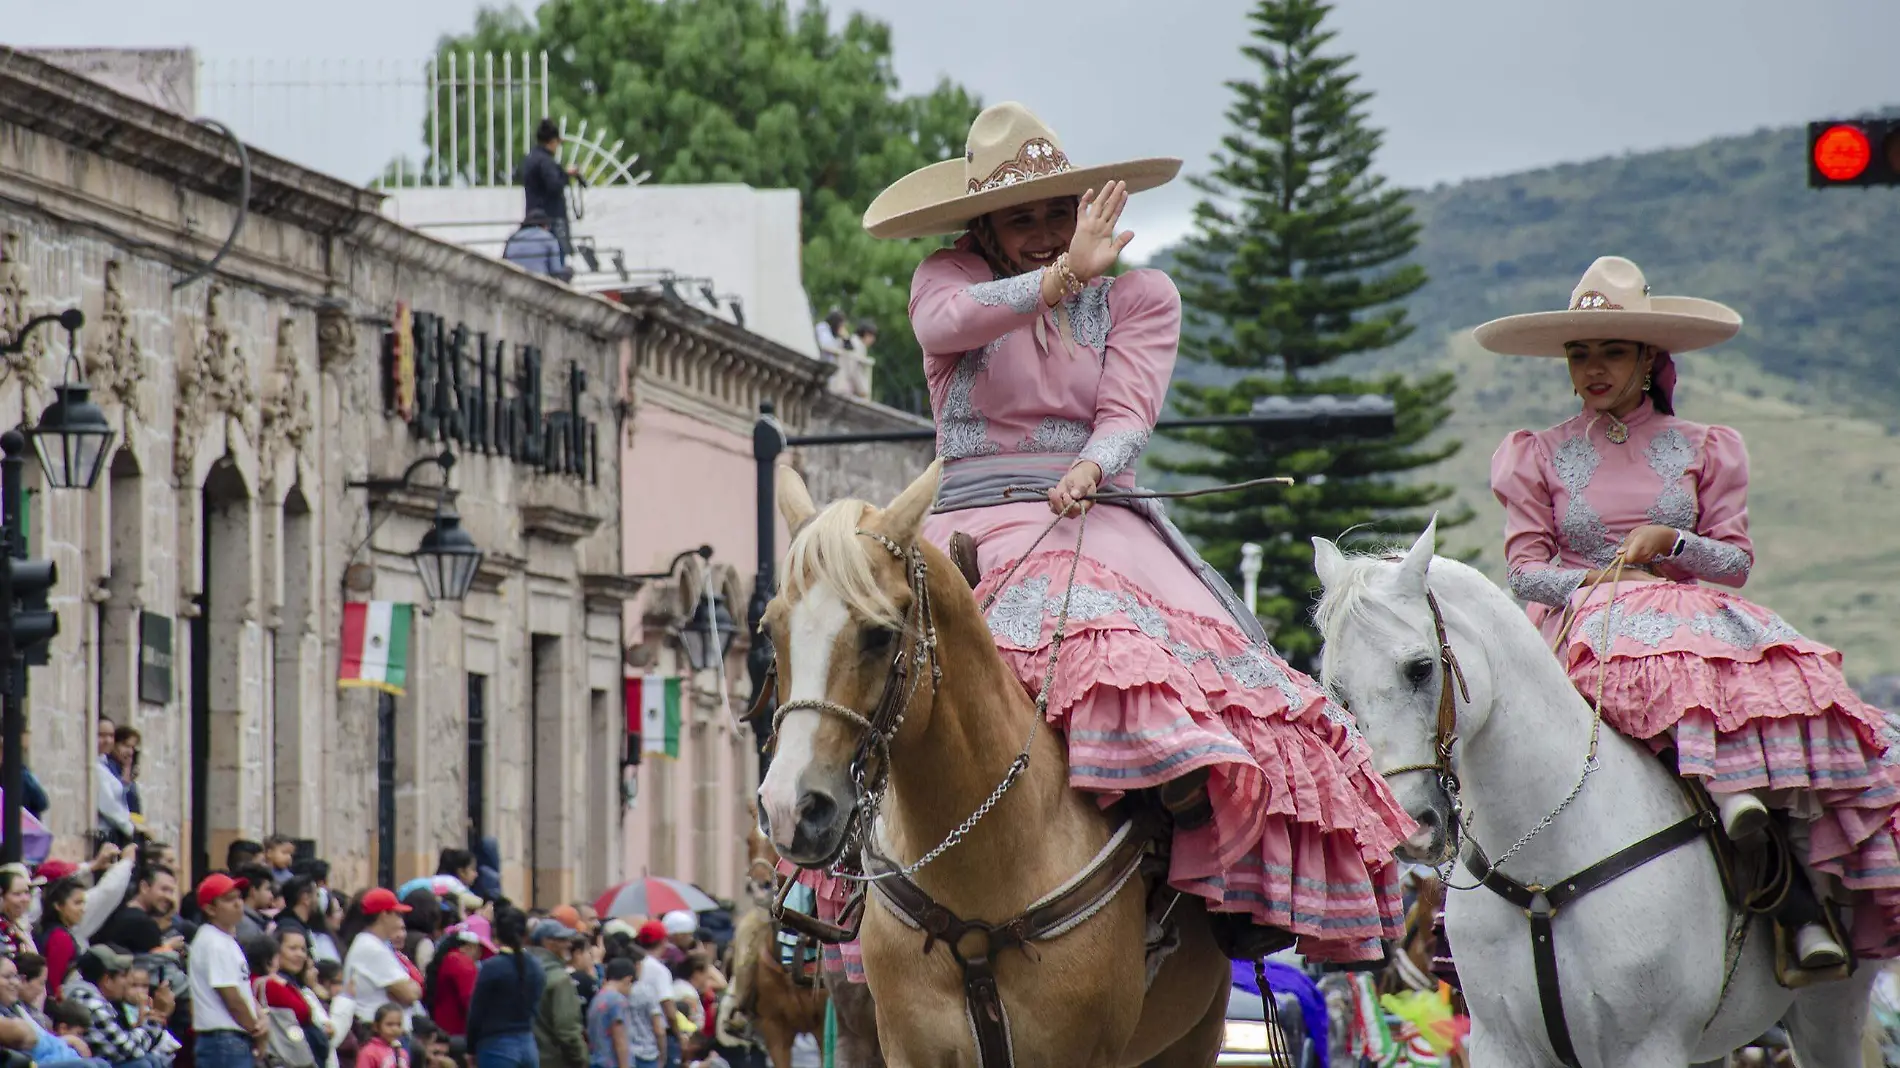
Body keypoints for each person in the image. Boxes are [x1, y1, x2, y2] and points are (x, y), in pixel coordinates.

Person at [840, 99, 1414, 962]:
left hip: (1090, 512)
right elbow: (942, 328)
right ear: (983, 222)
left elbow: (1127, 410)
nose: (1040, 231)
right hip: (966, 522)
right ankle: (848, 865)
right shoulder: (945, 279)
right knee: (864, 669)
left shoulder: (1141, 294)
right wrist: (1062, 275)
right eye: (1018, 215)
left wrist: (1095, 467)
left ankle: (1196, 852)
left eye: (1054, 212)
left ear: (1084, 208)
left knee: (1145, 653)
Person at [1479, 255, 1900, 972]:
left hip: (1690, 620)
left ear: (1649, 357)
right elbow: (1523, 571)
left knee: (1780, 711)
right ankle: (1483, 911)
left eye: (1612, 351)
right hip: (1583, 624)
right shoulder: (1536, 454)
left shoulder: (1706, 447)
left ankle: (1795, 897)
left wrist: (1671, 542)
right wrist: (1600, 585)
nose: (1593, 369)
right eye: (1580, 354)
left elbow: (1735, 562)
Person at [190, 873, 267, 1068]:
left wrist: (260, 1015)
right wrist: (255, 1029)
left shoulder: (226, 940)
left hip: (230, 1039)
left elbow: (242, 988)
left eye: (239, 897)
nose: (238, 904)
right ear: (210, 908)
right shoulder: (214, 942)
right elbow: (231, 995)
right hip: (223, 1040)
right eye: (228, 899)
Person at [66, 945, 172, 1067]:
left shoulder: (92, 995)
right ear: (107, 980)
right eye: (123, 976)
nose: (127, 982)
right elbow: (128, 1049)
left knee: (150, 1060)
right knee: (142, 1065)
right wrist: (156, 1017)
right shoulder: (90, 1002)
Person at [464, 907, 543, 1068]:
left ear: (495, 933)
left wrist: (470, 1048)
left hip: (496, 1046)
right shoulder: (536, 966)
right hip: (528, 1043)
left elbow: (476, 1011)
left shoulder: (492, 967)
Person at [341, 890, 421, 1027]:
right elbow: (410, 994)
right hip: (377, 1031)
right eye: (396, 914)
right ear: (384, 915)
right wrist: (407, 988)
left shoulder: (375, 944)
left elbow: (414, 989)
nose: (399, 920)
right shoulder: (372, 948)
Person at [525, 921, 585, 1068]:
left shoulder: (519, 970)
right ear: (547, 942)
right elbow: (567, 1030)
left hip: (524, 1057)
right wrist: (582, 1059)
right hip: (553, 1060)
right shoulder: (559, 979)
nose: (569, 944)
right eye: (562, 940)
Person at [516, 118, 578, 254]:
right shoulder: (546, 161)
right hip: (551, 219)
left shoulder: (530, 158)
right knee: (557, 258)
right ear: (552, 141)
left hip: (532, 218)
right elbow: (555, 186)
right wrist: (565, 176)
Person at [585, 958, 660, 1068]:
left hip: (596, 1061)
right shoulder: (617, 1000)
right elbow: (620, 1041)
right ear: (628, 980)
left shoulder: (598, 998)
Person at [422, 920, 487, 1038]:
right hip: (457, 1035)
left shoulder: (448, 958)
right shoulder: (461, 962)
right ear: (469, 947)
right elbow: (471, 1001)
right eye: (481, 949)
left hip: (445, 1030)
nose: (481, 956)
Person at [35, 876, 88, 999]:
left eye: (83, 903)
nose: (82, 909)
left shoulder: (54, 931)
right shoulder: (60, 938)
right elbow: (52, 984)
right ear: (58, 905)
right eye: (77, 903)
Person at [502, 211, 574, 284]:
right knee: (569, 270)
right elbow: (555, 270)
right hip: (539, 283)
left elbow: (504, 262)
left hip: (513, 281)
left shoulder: (513, 238)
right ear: (545, 225)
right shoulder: (549, 237)